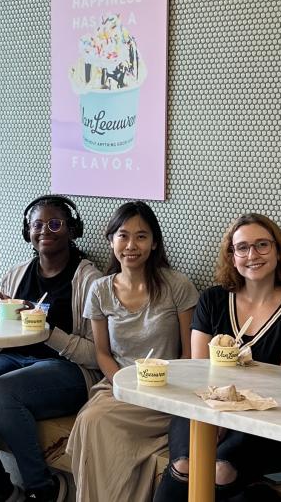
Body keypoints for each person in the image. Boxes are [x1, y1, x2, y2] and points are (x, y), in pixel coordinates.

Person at [0, 195, 103, 502]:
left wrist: (44, 329)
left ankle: (43, 488)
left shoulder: (89, 280)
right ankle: (0, 489)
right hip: (15, 358)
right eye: (37, 224)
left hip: (69, 369)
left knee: (1, 393)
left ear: (72, 230)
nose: (45, 230)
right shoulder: (17, 274)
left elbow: (95, 354)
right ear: (27, 232)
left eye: (55, 223)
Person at [155, 213, 281, 502]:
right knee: (184, 465)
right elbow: (199, 371)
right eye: (242, 247)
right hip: (202, 406)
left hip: (266, 419)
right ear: (232, 256)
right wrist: (215, 416)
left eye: (262, 245)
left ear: (278, 251)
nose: (252, 255)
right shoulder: (213, 300)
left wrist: (229, 420)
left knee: (220, 470)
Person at [67, 201, 200, 502]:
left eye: (141, 236)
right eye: (122, 235)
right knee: (92, 420)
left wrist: (159, 388)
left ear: (154, 243)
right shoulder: (100, 289)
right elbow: (102, 353)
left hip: (168, 391)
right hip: (119, 387)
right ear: (111, 239)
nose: (131, 245)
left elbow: (190, 353)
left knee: (95, 422)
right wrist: (126, 384)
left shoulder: (177, 286)